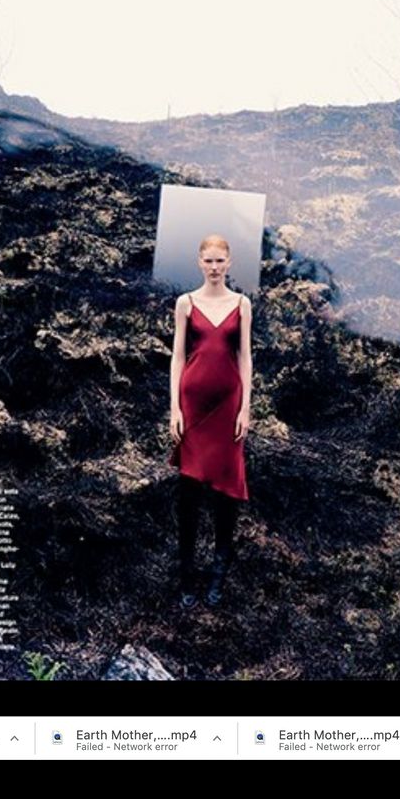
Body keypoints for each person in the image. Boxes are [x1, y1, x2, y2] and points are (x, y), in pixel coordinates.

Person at [170, 233, 252, 608]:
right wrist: (174, 408)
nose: (215, 267)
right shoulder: (185, 303)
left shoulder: (242, 304)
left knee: (226, 495)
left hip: (228, 409)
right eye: (209, 261)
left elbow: (245, 357)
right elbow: (177, 357)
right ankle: (187, 579)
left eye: (221, 261)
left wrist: (246, 407)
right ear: (199, 262)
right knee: (188, 496)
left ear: (229, 263)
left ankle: (217, 579)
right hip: (193, 407)